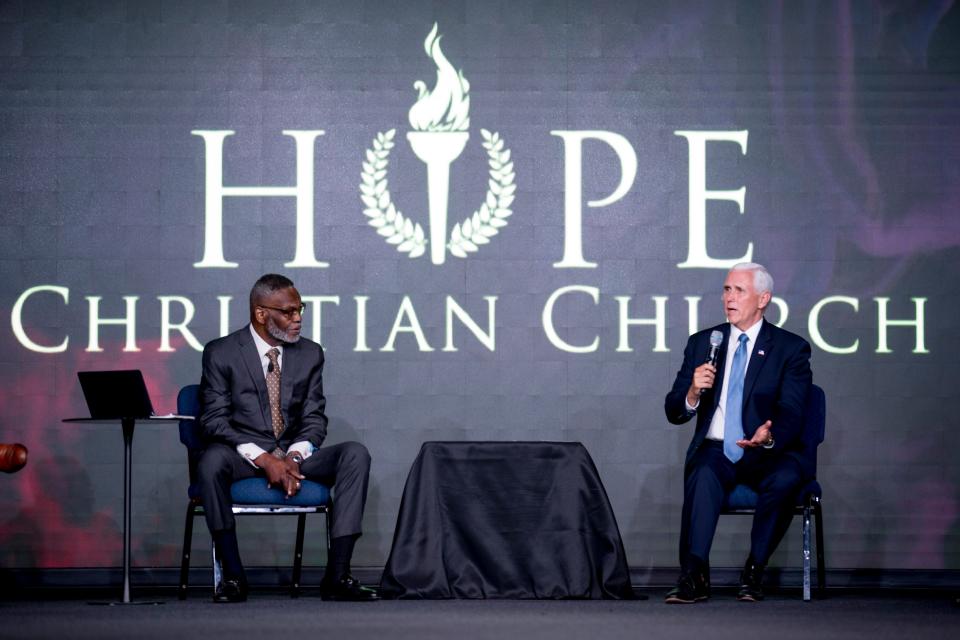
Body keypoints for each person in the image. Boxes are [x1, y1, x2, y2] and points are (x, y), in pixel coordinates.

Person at [198, 273, 378, 603]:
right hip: (244, 457)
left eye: (301, 310)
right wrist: (265, 459)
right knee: (210, 461)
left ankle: (337, 577)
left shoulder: (310, 354)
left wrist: (293, 458)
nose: (298, 318)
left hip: (296, 458)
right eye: (289, 311)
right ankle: (234, 577)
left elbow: (313, 417)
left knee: (355, 453)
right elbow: (213, 421)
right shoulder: (221, 352)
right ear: (261, 313)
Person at [664, 262, 812, 603]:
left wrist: (769, 436)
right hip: (717, 450)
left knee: (788, 478)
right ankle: (694, 574)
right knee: (702, 472)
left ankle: (754, 570)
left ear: (763, 299)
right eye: (726, 289)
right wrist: (692, 393)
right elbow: (674, 411)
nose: (728, 298)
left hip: (765, 450)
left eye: (738, 291)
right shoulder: (703, 343)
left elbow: (792, 410)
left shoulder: (790, 349)